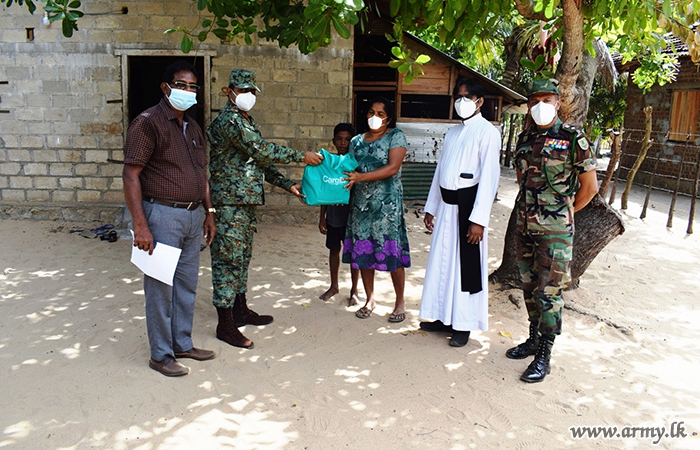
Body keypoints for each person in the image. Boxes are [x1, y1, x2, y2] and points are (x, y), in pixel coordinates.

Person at [207, 69, 323, 349]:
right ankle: (225, 324)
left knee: (242, 258)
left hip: (244, 204)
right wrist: (300, 156)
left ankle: (240, 309)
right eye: (242, 89)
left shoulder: (246, 120)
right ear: (229, 91)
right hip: (229, 204)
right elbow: (261, 151)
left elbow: (256, 162)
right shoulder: (229, 121)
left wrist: (288, 184)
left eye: (251, 91)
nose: (248, 95)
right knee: (227, 262)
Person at [123, 61, 216, 377]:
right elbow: (131, 174)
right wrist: (140, 225)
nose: (188, 91)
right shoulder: (148, 123)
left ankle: (181, 344)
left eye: (193, 87)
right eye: (181, 84)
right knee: (160, 286)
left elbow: (200, 173)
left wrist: (209, 211)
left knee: (187, 284)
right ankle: (160, 355)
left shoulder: (192, 126)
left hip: (193, 216)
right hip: (162, 215)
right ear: (166, 88)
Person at [507, 78, 598, 383]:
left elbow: (589, 188)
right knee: (530, 286)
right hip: (524, 225)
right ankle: (532, 338)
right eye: (535, 101)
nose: (541, 107)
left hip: (555, 231)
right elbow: (523, 178)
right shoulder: (525, 138)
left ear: (558, 103)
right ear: (529, 105)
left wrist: (563, 214)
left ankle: (544, 354)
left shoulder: (573, 138)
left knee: (550, 292)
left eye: (548, 100)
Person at [418, 78, 501, 347]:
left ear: (480, 101)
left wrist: (478, 220)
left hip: (468, 209)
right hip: (446, 208)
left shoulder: (488, 132)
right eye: (458, 96)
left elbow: (489, 178)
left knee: (464, 269)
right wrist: (431, 207)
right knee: (442, 263)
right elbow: (440, 173)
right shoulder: (452, 134)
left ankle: (463, 324)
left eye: (467, 96)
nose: (461, 101)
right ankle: (442, 317)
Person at [342, 97, 411, 322]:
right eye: (372, 112)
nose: (375, 117)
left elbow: (392, 168)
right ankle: (370, 298)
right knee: (364, 252)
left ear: (388, 118)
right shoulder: (356, 141)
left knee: (392, 253)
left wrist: (361, 176)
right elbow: (347, 169)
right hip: (361, 205)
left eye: (381, 114)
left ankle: (399, 301)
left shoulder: (395, 136)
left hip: (387, 207)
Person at [318, 123, 361, 305]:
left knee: (353, 254)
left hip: (351, 217)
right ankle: (334, 285)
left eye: (347, 140)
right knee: (333, 249)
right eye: (339, 139)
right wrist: (322, 217)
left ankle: (354, 290)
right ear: (333, 141)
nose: (343, 143)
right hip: (334, 216)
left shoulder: (355, 164)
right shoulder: (328, 164)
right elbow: (324, 191)